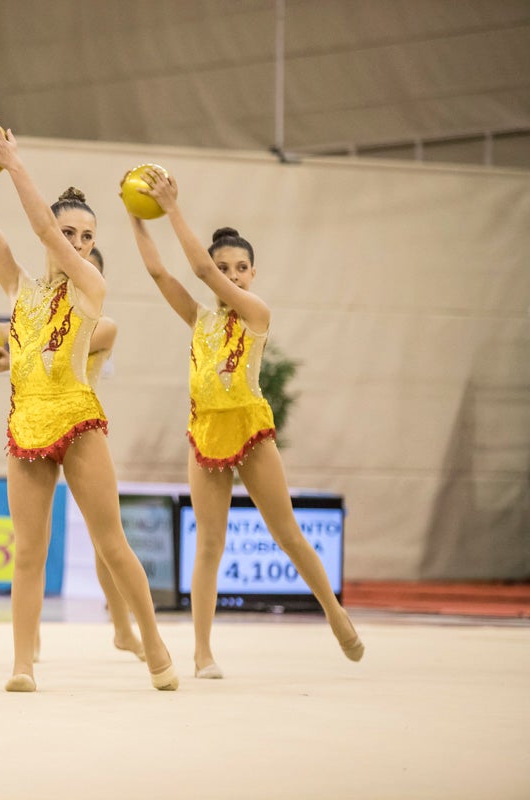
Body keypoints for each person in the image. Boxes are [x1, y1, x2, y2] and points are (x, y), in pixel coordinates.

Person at [0, 116, 176, 692]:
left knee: (111, 543)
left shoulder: (92, 291)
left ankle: (155, 646)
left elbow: (40, 229)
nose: (74, 243)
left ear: (93, 246)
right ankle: (22, 664)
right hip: (26, 424)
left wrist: (15, 164)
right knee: (27, 551)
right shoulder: (21, 292)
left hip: (78, 418)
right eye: (70, 233)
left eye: (85, 237)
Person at [127, 167, 364, 678]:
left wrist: (173, 210)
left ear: (252, 275)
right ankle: (202, 651)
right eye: (224, 268)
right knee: (209, 543)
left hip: (251, 432)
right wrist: (137, 218)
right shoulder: (200, 318)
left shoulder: (256, 313)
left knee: (287, 533)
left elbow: (198, 271)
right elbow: (161, 275)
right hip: (205, 431)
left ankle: (333, 610)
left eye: (240, 268)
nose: (231, 276)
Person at [0, 247, 146, 661]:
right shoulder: (42, 309)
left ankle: (123, 628)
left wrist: (6, 353)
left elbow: (55, 346)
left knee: (107, 542)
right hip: (37, 431)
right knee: (34, 541)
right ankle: (30, 641)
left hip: (82, 436)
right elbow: (22, 336)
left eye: (87, 270)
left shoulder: (105, 325)